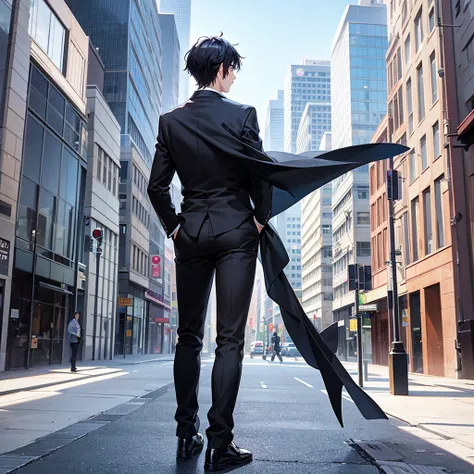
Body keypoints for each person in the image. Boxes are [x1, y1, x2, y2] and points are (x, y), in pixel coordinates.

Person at [148, 35, 271, 471]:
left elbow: (156, 187)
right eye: (232, 68)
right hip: (237, 231)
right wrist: (259, 218)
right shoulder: (243, 115)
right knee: (230, 340)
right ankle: (221, 444)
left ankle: (187, 435)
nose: (235, 76)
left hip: (192, 236)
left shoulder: (170, 121)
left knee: (188, 336)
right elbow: (261, 174)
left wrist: (175, 228)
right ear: (219, 69)